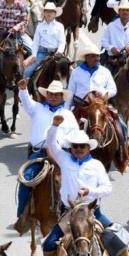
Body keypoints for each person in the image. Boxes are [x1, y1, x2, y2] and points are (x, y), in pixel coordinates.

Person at [42, 120, 129, 256]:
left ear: (88, 148)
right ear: (71, 148)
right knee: (48, 244)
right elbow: (51, 144)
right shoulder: (64, 159)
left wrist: (90, 191)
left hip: (92, 213)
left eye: (82, 146)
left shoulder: (96, 165)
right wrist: (54, 126)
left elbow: (107, 188)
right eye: (75, 146)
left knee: (120, 239)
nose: (78, 149)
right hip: (70, 214)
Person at [14, 79, 78, 230]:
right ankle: (22, 215)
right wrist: (22, 89)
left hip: (61, 153)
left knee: (75, 178)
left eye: (57, 94)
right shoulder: (37, 108)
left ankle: (76, 211)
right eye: (50, 94)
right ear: (46, 95)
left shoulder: (68, 115)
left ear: (62, 96)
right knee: (26, 179)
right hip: (39, 153)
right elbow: (26, 102)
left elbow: (75, 135)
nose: (53, 97)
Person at [66, 42, 117, 110]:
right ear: (86, 57)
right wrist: (66, 110)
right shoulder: (76, 72)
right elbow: (70, 93)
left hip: (99, 106)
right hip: (80, 107)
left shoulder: (105, 71)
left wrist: (103, 94)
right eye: (93, 56)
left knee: (116, 116)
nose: (97, 59)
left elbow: (113, 89)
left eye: (98, 56)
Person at [24, 2, 66, 78]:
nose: (49, 13)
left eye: (51, 11)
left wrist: (59, 52)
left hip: (56, 53)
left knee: (67, 69)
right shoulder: (40, 26)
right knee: (27, 71)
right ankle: (25, 84)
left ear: (55, 14)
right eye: (47, 11)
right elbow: (35, 42)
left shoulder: (60, 26)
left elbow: (62, 42)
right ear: (44, 13)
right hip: (42, 53)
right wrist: (34, 55)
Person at [100, 0, 129, 65]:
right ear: (119, 12)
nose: (125, 12)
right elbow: (104, 41)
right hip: (113, 59)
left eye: (127, 10)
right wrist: (111, 48)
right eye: (123, 10)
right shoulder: (111, 26)